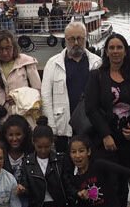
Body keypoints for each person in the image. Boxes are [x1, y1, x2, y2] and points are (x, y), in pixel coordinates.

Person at [84, 33, 130, 207]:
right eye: (111, 48)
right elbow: (91, 108)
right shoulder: (97, 76)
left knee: (123, 182)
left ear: (125, 51)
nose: (115, 51)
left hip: (129, 138)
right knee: (108, 182)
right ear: (106, 52)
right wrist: (105, 134)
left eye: (119, 47)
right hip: (106, 139)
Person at [16, 117, 80, 207]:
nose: (43, 150)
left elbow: (68, 185)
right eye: (40, 147)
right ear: (33, 143)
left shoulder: (61, 160)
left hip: (59, 206)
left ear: (52, 143)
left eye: (47, 147)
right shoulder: (27, 162)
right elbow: (25, 184)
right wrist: (23, 188)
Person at [41, 21, 102, 151]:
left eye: (79, 38)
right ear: (65, 39)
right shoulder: (52, 64)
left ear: (85, 39)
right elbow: (46, 97)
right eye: (71, 39)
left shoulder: (97, 63)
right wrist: (51, 127)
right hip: (63, 125)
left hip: (91, 126)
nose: (75, 43)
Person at [0, 30, 41, 114]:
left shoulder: (27, 63)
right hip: (3, 119)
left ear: (14, 47)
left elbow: (38, 91)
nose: (5, 53)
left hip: (24, 117)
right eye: (1, 49)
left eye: (8, 48)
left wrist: (18, 97)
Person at [0, 115, 33, 179]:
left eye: (18, 134)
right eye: (10, 135)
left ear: (25, 134)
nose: (14, 139)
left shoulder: (32, 153)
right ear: (5, 135)